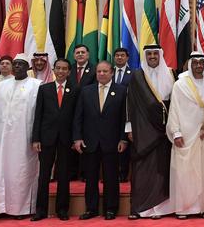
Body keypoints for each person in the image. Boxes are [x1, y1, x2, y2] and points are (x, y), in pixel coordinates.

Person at [73, 61, 128, 220]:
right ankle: (91, 209)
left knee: (111, 177)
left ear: (112, 73)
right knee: (90, 177)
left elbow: (125, 117)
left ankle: (111, 209)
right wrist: (77, 138)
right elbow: (78, 117)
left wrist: (123, 139)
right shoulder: (86, 91)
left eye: (105, 71)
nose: (102, 74)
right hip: (90, 142)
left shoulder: (121, 91)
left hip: (112, 142)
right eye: (99, 71)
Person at [126, 45, 176, 220]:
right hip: (142, 129)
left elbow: (175, 104)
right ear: (145, 57)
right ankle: (141, 209)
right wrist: (129, 127)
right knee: (142, 169)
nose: (153, 56)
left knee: (162, 168)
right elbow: (129, 102)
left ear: (160, 55)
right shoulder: (137, 76)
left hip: (165, 130)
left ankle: (161, 209)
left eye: (156, 53)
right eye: (150, 54)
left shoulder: (171, 74)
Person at [0, 54, 41, 218]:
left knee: (21, 171)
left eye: (21, 64)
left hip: (23, 138)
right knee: (0, 170)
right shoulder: (2, 85)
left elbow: (38, 114)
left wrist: (36, 137)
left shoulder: (36, 85)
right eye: (15, 64)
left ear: (28, 67)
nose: (17, 66)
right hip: (1, 138)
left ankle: (22, 209)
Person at [167, 51, 204, 219]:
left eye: (201, 63)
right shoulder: (180, 85)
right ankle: (184, 208)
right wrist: (176, 133)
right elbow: (174, 110)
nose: (198, 65)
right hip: (185, 135)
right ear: (190, 64)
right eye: (195, 62)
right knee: (184, 173)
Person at [31, 58, 78, 221]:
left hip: (66, 139)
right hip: (46, 138)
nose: (61, 71)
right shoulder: (44, 89)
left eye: (64, 69)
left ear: (69, 72)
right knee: (44, 175)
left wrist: (75, 138)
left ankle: (62, 209)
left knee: (64, 175)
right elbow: (38, 115)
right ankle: (40, 210)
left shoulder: (75, 89)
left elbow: (77, 117)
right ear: (54, 70)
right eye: (58, 68)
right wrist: (35, 138)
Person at [113, 47, 133, 182]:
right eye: (117, 55)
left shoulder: (134, 73)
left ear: (127, 58)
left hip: (126, 112)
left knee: (124, 146)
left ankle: (123, 174)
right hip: (109, 114)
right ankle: (111, 174)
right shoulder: (108, 71)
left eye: (122, 55)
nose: (119, 58)